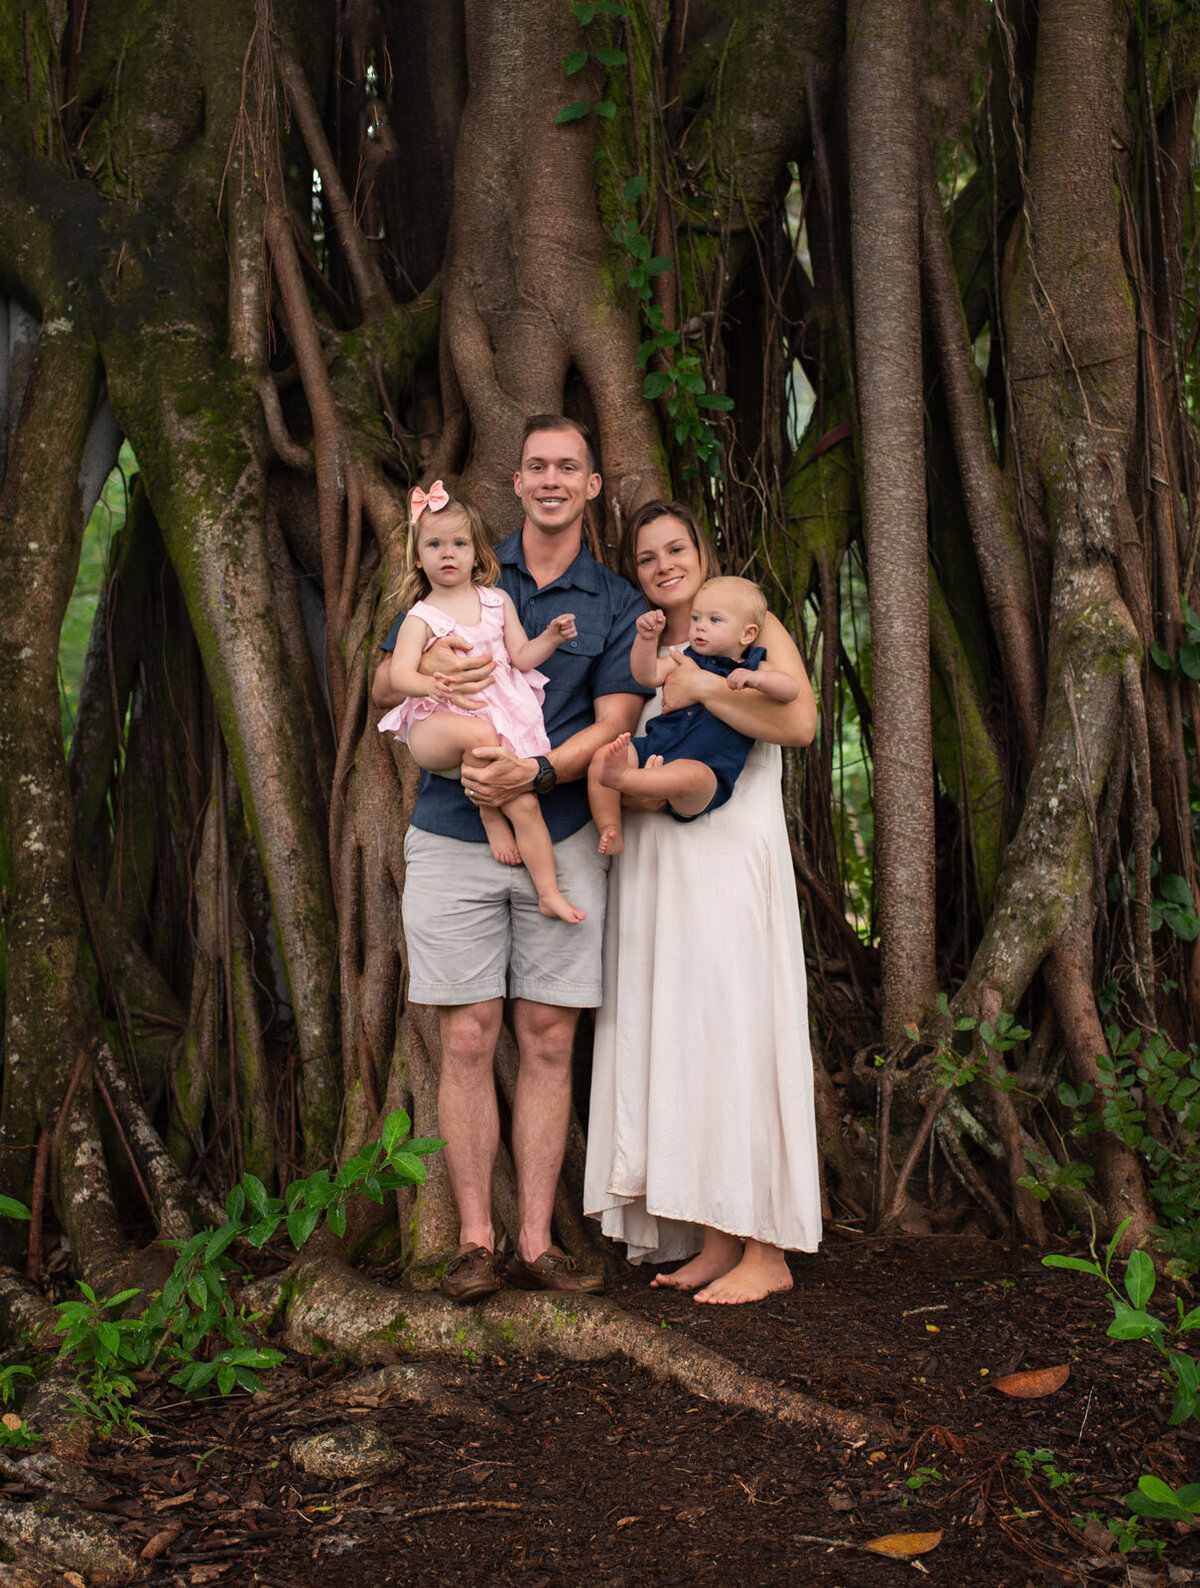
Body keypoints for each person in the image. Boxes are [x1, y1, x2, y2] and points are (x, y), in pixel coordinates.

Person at [372, 416, 649, 1303]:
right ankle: (475, 1242)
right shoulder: (462, 563)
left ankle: (538, 1241)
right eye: (537, 466)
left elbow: (612, 724)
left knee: (548, 1037)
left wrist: (531, 768)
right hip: (451, 835)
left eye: (569, 466)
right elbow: (383, 682)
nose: (552, 479)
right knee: (464, 1035)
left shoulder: (611, 600)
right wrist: (426, 689)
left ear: (593, 484)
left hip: (561, 832)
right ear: (519, 479)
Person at [583, 500, 823, 1305]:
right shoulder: (653, 644)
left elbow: (800, 725)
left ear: (701, 549)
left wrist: (701, 691)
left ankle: (768, 1247)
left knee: (739, 1032)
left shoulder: (754, 625)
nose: (663, 566)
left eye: (675, 549)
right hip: (663, 864)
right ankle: (718, 1235)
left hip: (727, 858)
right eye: (647, 557)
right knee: (694, 1041)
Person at [376, 482, 586, 924]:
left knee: (525, 802)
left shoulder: (496, 601)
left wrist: (549, 636)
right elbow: (398, 675)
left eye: (459, 543)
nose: (447, 553)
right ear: (418, 557)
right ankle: (488, 813)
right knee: (477, 734)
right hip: (439, 725)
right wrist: (429, 684)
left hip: (493, 723)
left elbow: (522, 657)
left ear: (477, 554)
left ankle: (548, 892)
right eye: (434, 544)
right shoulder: (421, 616)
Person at [588, 574, 799, 851]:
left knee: (691, 775)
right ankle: (610, 828)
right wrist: (646, 639)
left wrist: (757, 680)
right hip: (656, 748)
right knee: (602, 756)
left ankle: (625, 780)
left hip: (708, 771)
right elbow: (646, 674)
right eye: (696, 618)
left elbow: (790, 690)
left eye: (714, 620)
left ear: (747, 634)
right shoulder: (685, 657)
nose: (700, 627)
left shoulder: (754, 666)